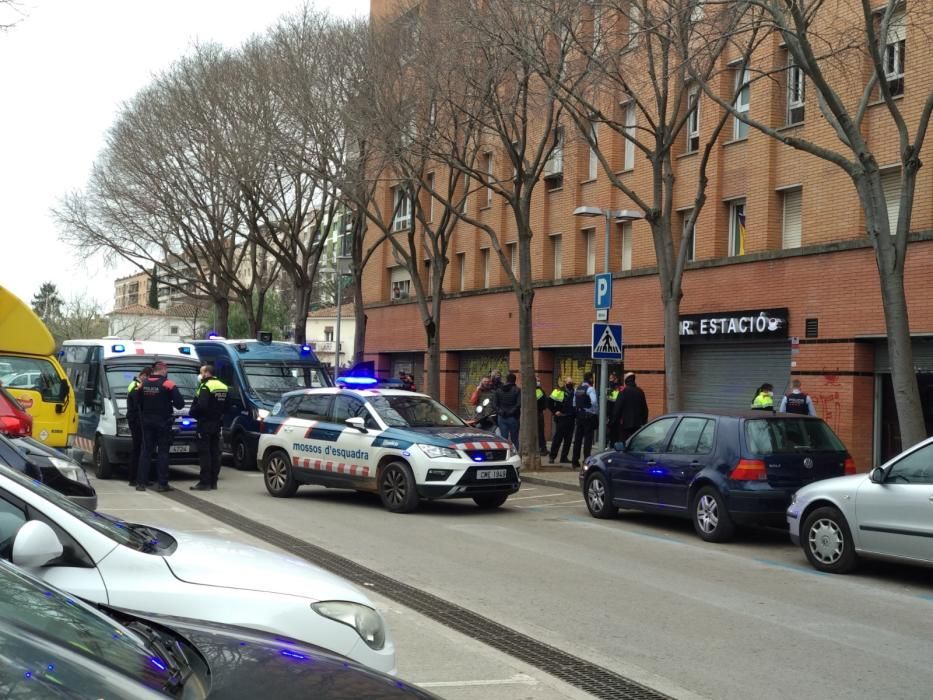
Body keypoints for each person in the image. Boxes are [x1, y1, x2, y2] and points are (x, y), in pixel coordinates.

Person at [137, 360, 185, 492]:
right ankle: (162, 484)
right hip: (163, 423)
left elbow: (138, 402)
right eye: (166, 370)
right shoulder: (168, 384)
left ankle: (141, 483)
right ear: (163, 370)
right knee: (163, 453)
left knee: (146, 452)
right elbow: (180, 404)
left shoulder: (143, 384)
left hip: (147, 422)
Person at [189, 364, 228, 491]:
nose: (200, 375)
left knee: (204, 454)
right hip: (217, 424)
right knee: (214, 453)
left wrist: (192, 412)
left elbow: (201, 405)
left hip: (205, 424)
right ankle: (213, 482)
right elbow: (226, 406)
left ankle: (204, 483)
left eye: (201, 372)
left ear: (206, 373)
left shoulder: (205, 386)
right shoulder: (223, 386)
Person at [126, 367, 150, 487]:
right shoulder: (135, 386)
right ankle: (133, 478)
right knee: (137, 449)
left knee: (140, 449)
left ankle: (140, 477)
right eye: (148, 377)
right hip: (136, 420)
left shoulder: (138, 384)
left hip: (137, 420)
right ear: (143, 375)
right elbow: (138, 403)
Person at [571, 372, 598, 469]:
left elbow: (574, 403)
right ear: (590, 379)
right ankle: (586, 461)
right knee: (588, 439)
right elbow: (594, 401)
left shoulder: (577, 388)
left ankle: (574, 461)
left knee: (578, 439)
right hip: (588, 416)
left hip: (579, 415)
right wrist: (593, 410)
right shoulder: (590, 389)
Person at [611, 372, 649, 443]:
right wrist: (643, 422)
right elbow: (645, 409)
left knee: (624, 444)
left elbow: (617, 409)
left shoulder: (623, 392)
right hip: (637, 425)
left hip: (625, 426)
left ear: (626, 381)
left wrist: (614, 421)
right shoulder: (640, 392)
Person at [548, 377, 575, 465]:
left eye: (571, 382)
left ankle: (564, 457)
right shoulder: (558, 391)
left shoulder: (574, 392)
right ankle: (552, 457)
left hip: (571, 418)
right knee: (558, 438)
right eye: (569, 382)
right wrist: (555, 411)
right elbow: (549, 402)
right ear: (565, 383)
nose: (570, 384)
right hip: (561, 418)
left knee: (568, 439)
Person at [495, 373, 521, 445]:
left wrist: (500, 412)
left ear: (506, 380)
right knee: (514, 439)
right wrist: (510, 412)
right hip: (513, 417)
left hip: (501, 417)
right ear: (515, 380)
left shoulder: (498, 390)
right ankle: (515, 451)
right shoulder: (517, 390)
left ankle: (505, 451)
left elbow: (495, 404)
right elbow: (519, 404)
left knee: (503, 439)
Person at [535, 376, 548, 456]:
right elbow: (542, 402)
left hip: (539, 413)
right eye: (537, 380)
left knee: (540, 432)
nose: (539, 382)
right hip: (537, 414)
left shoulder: (539, 390)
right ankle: (542, 448)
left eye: (539, 380)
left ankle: (543, 448)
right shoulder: (538, 391)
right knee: (540, 432)